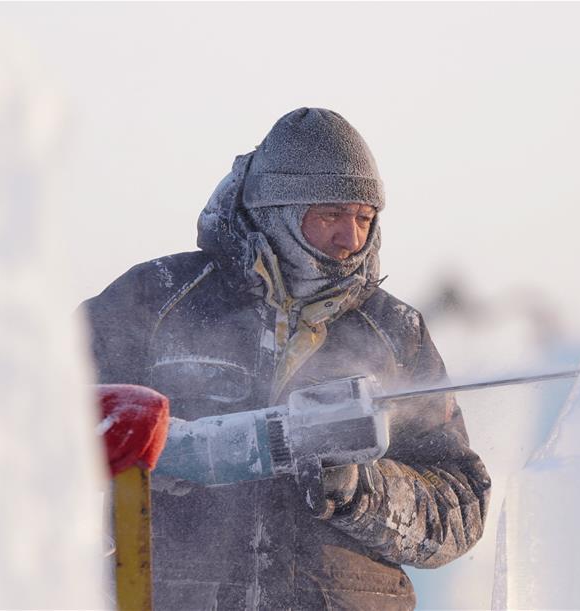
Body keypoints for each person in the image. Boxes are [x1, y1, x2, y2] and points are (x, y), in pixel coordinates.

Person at [81, 107, 491, 610]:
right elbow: (28, 420)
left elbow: (462, 511)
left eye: (364, 217)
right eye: (330, 215)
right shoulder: (156, 300)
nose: (352, 238)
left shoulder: (394, 333)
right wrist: (172, 453)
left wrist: (361, 490)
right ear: (277, 211)